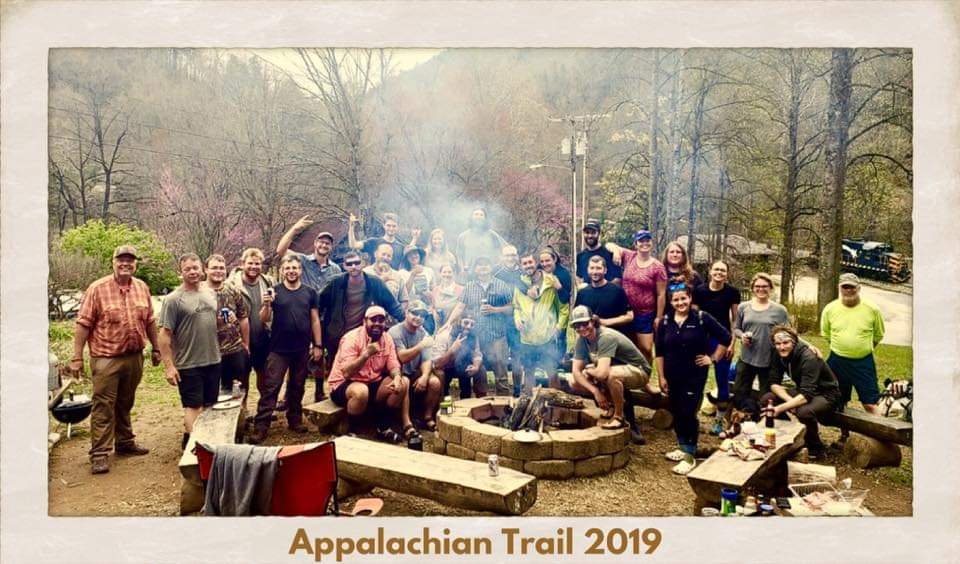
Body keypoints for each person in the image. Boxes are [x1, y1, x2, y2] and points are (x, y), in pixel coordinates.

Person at [69, 245, 160, 474]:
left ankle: (125, 442)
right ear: (113, 262)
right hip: (106, 358)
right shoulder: (97, 289)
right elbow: (83, 324)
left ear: (135, 264)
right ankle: (100, 453)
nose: (125, 264)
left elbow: (150, 320)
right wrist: (77, 357)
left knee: (125, 402)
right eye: (121, 260)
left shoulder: (141, 287)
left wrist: (157, 348)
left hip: (134, 356)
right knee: (104, 405)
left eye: (130, 260)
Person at [654, 286, 730, 475]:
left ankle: (690, 455)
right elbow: (659, 352)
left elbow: (725, 337)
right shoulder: (665, 321)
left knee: (688, 412)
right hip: (672, 374)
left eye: (684, 298)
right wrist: (661, 376)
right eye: (676, 300)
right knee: (677, 411)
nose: (680, 303)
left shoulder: (702, 318)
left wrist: (712, 358)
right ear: (671, 302)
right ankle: (683, 447)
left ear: (690, 298)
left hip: (694, 375)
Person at [248, 255, 323, 443]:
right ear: (282, 271)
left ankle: (295, 419)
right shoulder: (274, 291)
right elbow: (264, 318)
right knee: (271, 387)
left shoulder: (310, 293)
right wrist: (267, 304)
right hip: (278, 348)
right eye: (288, 268)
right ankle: (261, 426)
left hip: (302, 348)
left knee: (297, 386)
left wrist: (318, 345)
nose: (291, 271)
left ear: (300, 270)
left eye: (295, 268)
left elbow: (315, 320)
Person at [328, 306, 419, 443]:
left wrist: (397, 377)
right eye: (373, 320)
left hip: (371, 382)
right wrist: (366, 354)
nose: (377, 323)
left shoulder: (386, 339)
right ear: (364, 321)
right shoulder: (351, 338)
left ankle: (383, 427)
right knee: (361, 391)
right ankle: (352, 431)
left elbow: (393, 365)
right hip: (343, 384)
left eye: (381, 320)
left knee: (403, 382)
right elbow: (346, 373)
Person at [158, 253, 222, 449]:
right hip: (188, 363)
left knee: (210, 405)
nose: (193, 272)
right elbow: (164, 335)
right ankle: (194, 450)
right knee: (193, 406)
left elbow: (212, 322)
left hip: (213, 359)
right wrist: (169, 367)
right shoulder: (173, 300)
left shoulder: (210, 293)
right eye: (187, 269)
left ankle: (204, 445)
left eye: (195, 268)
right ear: (181, 272)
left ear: (202, 269)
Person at [569, 305, 652, 443]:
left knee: (611, 375)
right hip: (615, 369)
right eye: (577, 326)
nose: (582, 328)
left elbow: (602, 374)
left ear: (592, 321)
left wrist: (589, 371)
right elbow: (575, 372)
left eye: (585, 323)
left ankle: (619, 417)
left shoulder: (605, 337)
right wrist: (595, 391)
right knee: (574, 381)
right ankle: (611, 407)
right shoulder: (582, 340)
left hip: (639, 371)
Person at [762, 325, 841, 460]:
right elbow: (774, 383)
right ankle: (788, 436)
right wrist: (790, 401)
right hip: (804, 390)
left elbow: (806, 396)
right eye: (778, 344)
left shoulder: (809, 357)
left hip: (826, 394)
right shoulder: (777, 354)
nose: (782, 347)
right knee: (767, 399)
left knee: (803, 412)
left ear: (794, 342)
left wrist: (780, 408)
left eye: (786, 343)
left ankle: (816, 447)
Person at [442, 256, 514, 396]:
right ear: (475, 269)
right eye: (479, 265)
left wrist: (495, 309)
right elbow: (460, 307)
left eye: (486, 264)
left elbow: (511, 308)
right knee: (478, 371)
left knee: (501, 373)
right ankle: (481, 403)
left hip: (497, 335)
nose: (483, 267)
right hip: (476, 336)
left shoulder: (501, 285)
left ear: (491, 267)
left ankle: (504, 404)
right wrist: (448, 323)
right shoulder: (469, 286)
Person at [316, 250, 405, 362]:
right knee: (337, 369)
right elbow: (317, 306)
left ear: (363, 263)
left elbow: (393, 306)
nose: (353, 266)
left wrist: (408, 323)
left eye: (357, 263)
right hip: (337, 336)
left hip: (363, 337)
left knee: (362, 369)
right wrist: (318, 340)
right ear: (344, 266)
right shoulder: (335, 283)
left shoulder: (375, 283)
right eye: (349, 264)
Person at [820, 273, 885, 415]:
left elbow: (878, 335)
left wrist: (861, 348)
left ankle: (881, 428)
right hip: (837, 361)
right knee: (836, 401)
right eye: (845, 287)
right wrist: (843, 347)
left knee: (871, 403)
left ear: (859, 288)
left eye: (852, 287)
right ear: (839, 288)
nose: (848, 290)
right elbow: (826, 334)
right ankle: (841, 429)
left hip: (863, 362)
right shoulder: (830, 309)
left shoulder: (872, 309)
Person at [732, 272, 789, 416]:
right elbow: (736, 328)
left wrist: (808, 346)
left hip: (769, 360)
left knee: (766, 398)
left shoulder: (780, 310)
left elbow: (788, 333)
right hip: (747, 358)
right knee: (739, 393)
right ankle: (745, 418)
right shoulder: (743, 307)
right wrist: (742, 336)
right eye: (757, 286)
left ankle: (762, 420)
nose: (761, 289)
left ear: (770, 288)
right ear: (752, 288)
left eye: (764, 286)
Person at [693, 260, 741, 434]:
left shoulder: (732, 292)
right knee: (698, 378)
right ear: (710, 271)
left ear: (727, 274)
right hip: (702, 340)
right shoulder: (699, 291)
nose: (719, 273)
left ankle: (719, 420)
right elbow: (694, 316)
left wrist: (732, 343)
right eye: (716, 269)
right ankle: (693, 417)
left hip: (722, 340)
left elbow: (735, 321)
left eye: (723, 270)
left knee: (722, 380)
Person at [606, 230, 668, 364]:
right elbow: (609, 245)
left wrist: (659, 317)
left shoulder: (658, 267)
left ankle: (645, 373)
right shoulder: (629, 256)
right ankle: (633, 373)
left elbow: (661, 294)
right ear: (636, 244)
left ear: (652, 243)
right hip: (626, 311)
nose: (644, 243)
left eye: (647, 240)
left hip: (645, 313)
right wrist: (616, 251)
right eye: (641, 241)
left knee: (646, 348)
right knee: (629, 346)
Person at [227, 248, 275, 401]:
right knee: (242, 376)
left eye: (257, 264)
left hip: (263, 336)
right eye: (250, 263)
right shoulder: (231, 284)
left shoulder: (268, 282)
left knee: (264, 374)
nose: (254, 267)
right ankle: (243, 407)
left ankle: (264, 405)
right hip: (240, 340)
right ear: (242, 263)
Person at [203, 254, 250, 404]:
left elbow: (243, 317)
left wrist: (245, 343)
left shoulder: (233, 290)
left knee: (237, 390)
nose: (218, 271)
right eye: (214, 268)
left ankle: (240, 415)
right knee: (210, 392)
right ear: (206, 270)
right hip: (208, 351)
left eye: (221, 268)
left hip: (234, 349)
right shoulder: (199, 292)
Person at [512, 252, 563, 391]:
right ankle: (528, 399)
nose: (528, 266)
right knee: (529, 371)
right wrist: (517, 319)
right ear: (521, 266)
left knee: (552, 371)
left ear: (536, 263)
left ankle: (556, 399)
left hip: (547, 335)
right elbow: (516, 306)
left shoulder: (550, 281)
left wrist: (559, 326)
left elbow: (562, 305)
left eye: (530, 262)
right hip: (527, 337)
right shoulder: (519, 284)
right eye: (524, 263)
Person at [388, 301, 442, 431]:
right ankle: (405, 422)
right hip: (397, 374)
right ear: (407, 313)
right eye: (415, 313)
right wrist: (421, 345)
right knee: (405, 381)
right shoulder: (395, 332)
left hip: (414, 372)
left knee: (435, 382)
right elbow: (402, 357)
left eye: (422, 315)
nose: (418, 318)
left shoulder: (422, 332)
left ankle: (427, 417)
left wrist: (424, 376)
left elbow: (427, 359)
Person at [275, 215, 342, 293]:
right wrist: (294, 229)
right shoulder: (302, 260)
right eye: (321, 242)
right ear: (315, 243)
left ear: (331, 247)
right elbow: (281, 251)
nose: (324, 245)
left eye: (327, 243)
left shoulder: (335, 269)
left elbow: (338, 292)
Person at [574, 255, 634, 337]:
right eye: (592, 268)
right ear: (588, 270)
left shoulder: (617, 291)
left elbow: (630, 316)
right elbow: (577, 321)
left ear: (605, 270)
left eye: (598, 268)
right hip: (590, 339)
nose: (595, 272)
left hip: (612, 338)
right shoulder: (582, 293)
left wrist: (604, 322)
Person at [495, 245, 526, 395]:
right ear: (502, 257)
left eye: (513, 255)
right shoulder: (496, 274)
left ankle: (518, 389)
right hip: (500, 320)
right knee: (500, 357)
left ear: (517, 256)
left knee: (517, 355)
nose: (510, 258)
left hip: (518, 320)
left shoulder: (523, 274)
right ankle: (503, 391)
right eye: (507, 255)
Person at [432, 316, 485, 398]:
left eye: (472, 324)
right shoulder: (443, 336)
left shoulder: (473, 336)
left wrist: (476, 366)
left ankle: (480, 400)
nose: (469, 327)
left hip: (463, 366)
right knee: (440, 373)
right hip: (446, 367)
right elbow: (437, 364)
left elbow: (477, 354)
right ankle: (441, 399)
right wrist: (452, 350)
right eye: (466, 323)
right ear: (459, 322)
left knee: (481, 369)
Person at [539, 247, 572, 367]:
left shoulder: (563, 274)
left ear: (554, 259)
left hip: (560, 311)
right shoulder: (539, 272)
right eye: (542, 261)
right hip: (544, 311)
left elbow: (566, 298)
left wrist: (559, 288)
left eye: (547, 261)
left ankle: (559, 362)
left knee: (559, 337)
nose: (544, 264)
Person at [455, 208, 507, 273]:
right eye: (476, 214)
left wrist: (498, 265)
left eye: (481, 215)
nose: (478, 217)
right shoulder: (463, 236)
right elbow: (459, 256)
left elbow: (506, 249)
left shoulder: (492, 235)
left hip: (489, 273)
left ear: (485, 219)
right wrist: (462, 269)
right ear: (471, 218)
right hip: (470, 273)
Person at [576, 218, 622, 286]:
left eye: (593, 233)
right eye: (587, 232)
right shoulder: (580, 256)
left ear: (599, 234)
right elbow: (579, 277)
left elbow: (617, 279)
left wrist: (600, 290)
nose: (590, 236)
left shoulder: (610, 254)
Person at [661, 241, 702, 317]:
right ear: (666, 255)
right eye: (671, 252)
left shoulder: (693, 276)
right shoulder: (660, 274)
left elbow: (700, 299)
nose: (675, 254)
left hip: (688, 318)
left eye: (678, 252)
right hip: (665, 318)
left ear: (683, 255)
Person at [400, 247, 435, 333]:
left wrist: (430, 296)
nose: (413, 256)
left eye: (415, 253)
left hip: (426, 311)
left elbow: (434, 289)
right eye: (410, 255)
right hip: (410, 312)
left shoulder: (429, 271)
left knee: (428, 334)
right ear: (407, 258)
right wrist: (413, 274)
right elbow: (403, 293)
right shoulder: (402, 273)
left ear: (420, 255)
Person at [363, 242, 409, 308]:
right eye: (383, 254)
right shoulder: (365, 273)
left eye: (389, 256)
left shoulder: (397, 276)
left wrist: (399, 312)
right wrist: (381, 280)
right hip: (371, 312)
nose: (385, 258)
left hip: (392, 313)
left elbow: (404, 300)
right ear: (375, 254)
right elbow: (360, 297)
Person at [430, 263, 463, 331]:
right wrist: (434, 313)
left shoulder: (461, 290)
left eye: (449, 272)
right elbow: (433, 307)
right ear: (440, 274)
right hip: (439, 325)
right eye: (444, 272)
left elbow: (461, 308)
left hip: (453, 327)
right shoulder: (435, 290)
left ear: (454, 273)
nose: (447, 274)